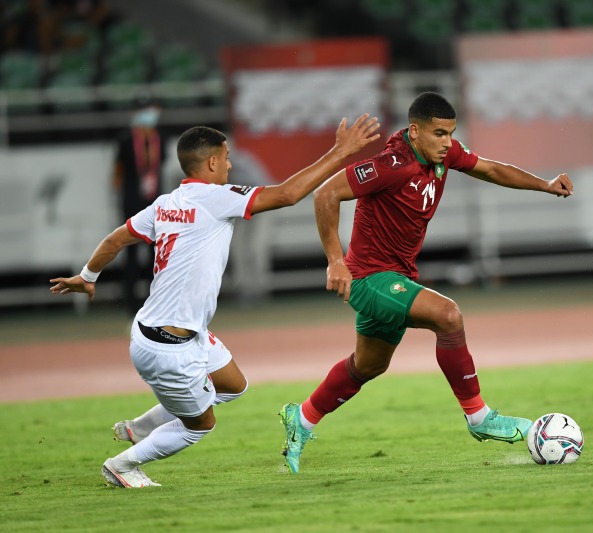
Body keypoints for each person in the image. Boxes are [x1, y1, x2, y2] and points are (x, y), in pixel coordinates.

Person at [50, 116, 380, 488]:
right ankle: (122, 465)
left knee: (233, 385)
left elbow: (114, 240)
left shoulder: (164, 203)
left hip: (166, 330)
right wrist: (341, 152)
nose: (230, 164)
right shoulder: (216, 198)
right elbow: (288, 194)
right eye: (225, 158)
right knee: (199, 426)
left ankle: (137, 428)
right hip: (168, 346)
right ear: (210, 163)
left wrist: (88, 276)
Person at [278, 92, 574, 474]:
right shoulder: (392, 164)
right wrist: (335, 261)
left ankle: (300, 420)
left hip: (395, 276)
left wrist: (544, 184)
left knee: (368, 366)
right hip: (369, 279)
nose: (448, 142)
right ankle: (479, 417)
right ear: (414, 131)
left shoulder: (443, 154)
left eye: (451, 133)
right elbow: (325, 194)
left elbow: (491, 169)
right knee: (448, 316)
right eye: (439, 134)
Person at [112, 96, 167, 315]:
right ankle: (131, 305)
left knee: (156, 253)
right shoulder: (126, 139)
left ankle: (157, 301)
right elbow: (118, 171)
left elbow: (158, 165)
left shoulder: (160, 138)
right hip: (132, 203)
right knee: (132, 254)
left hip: (154, 204)